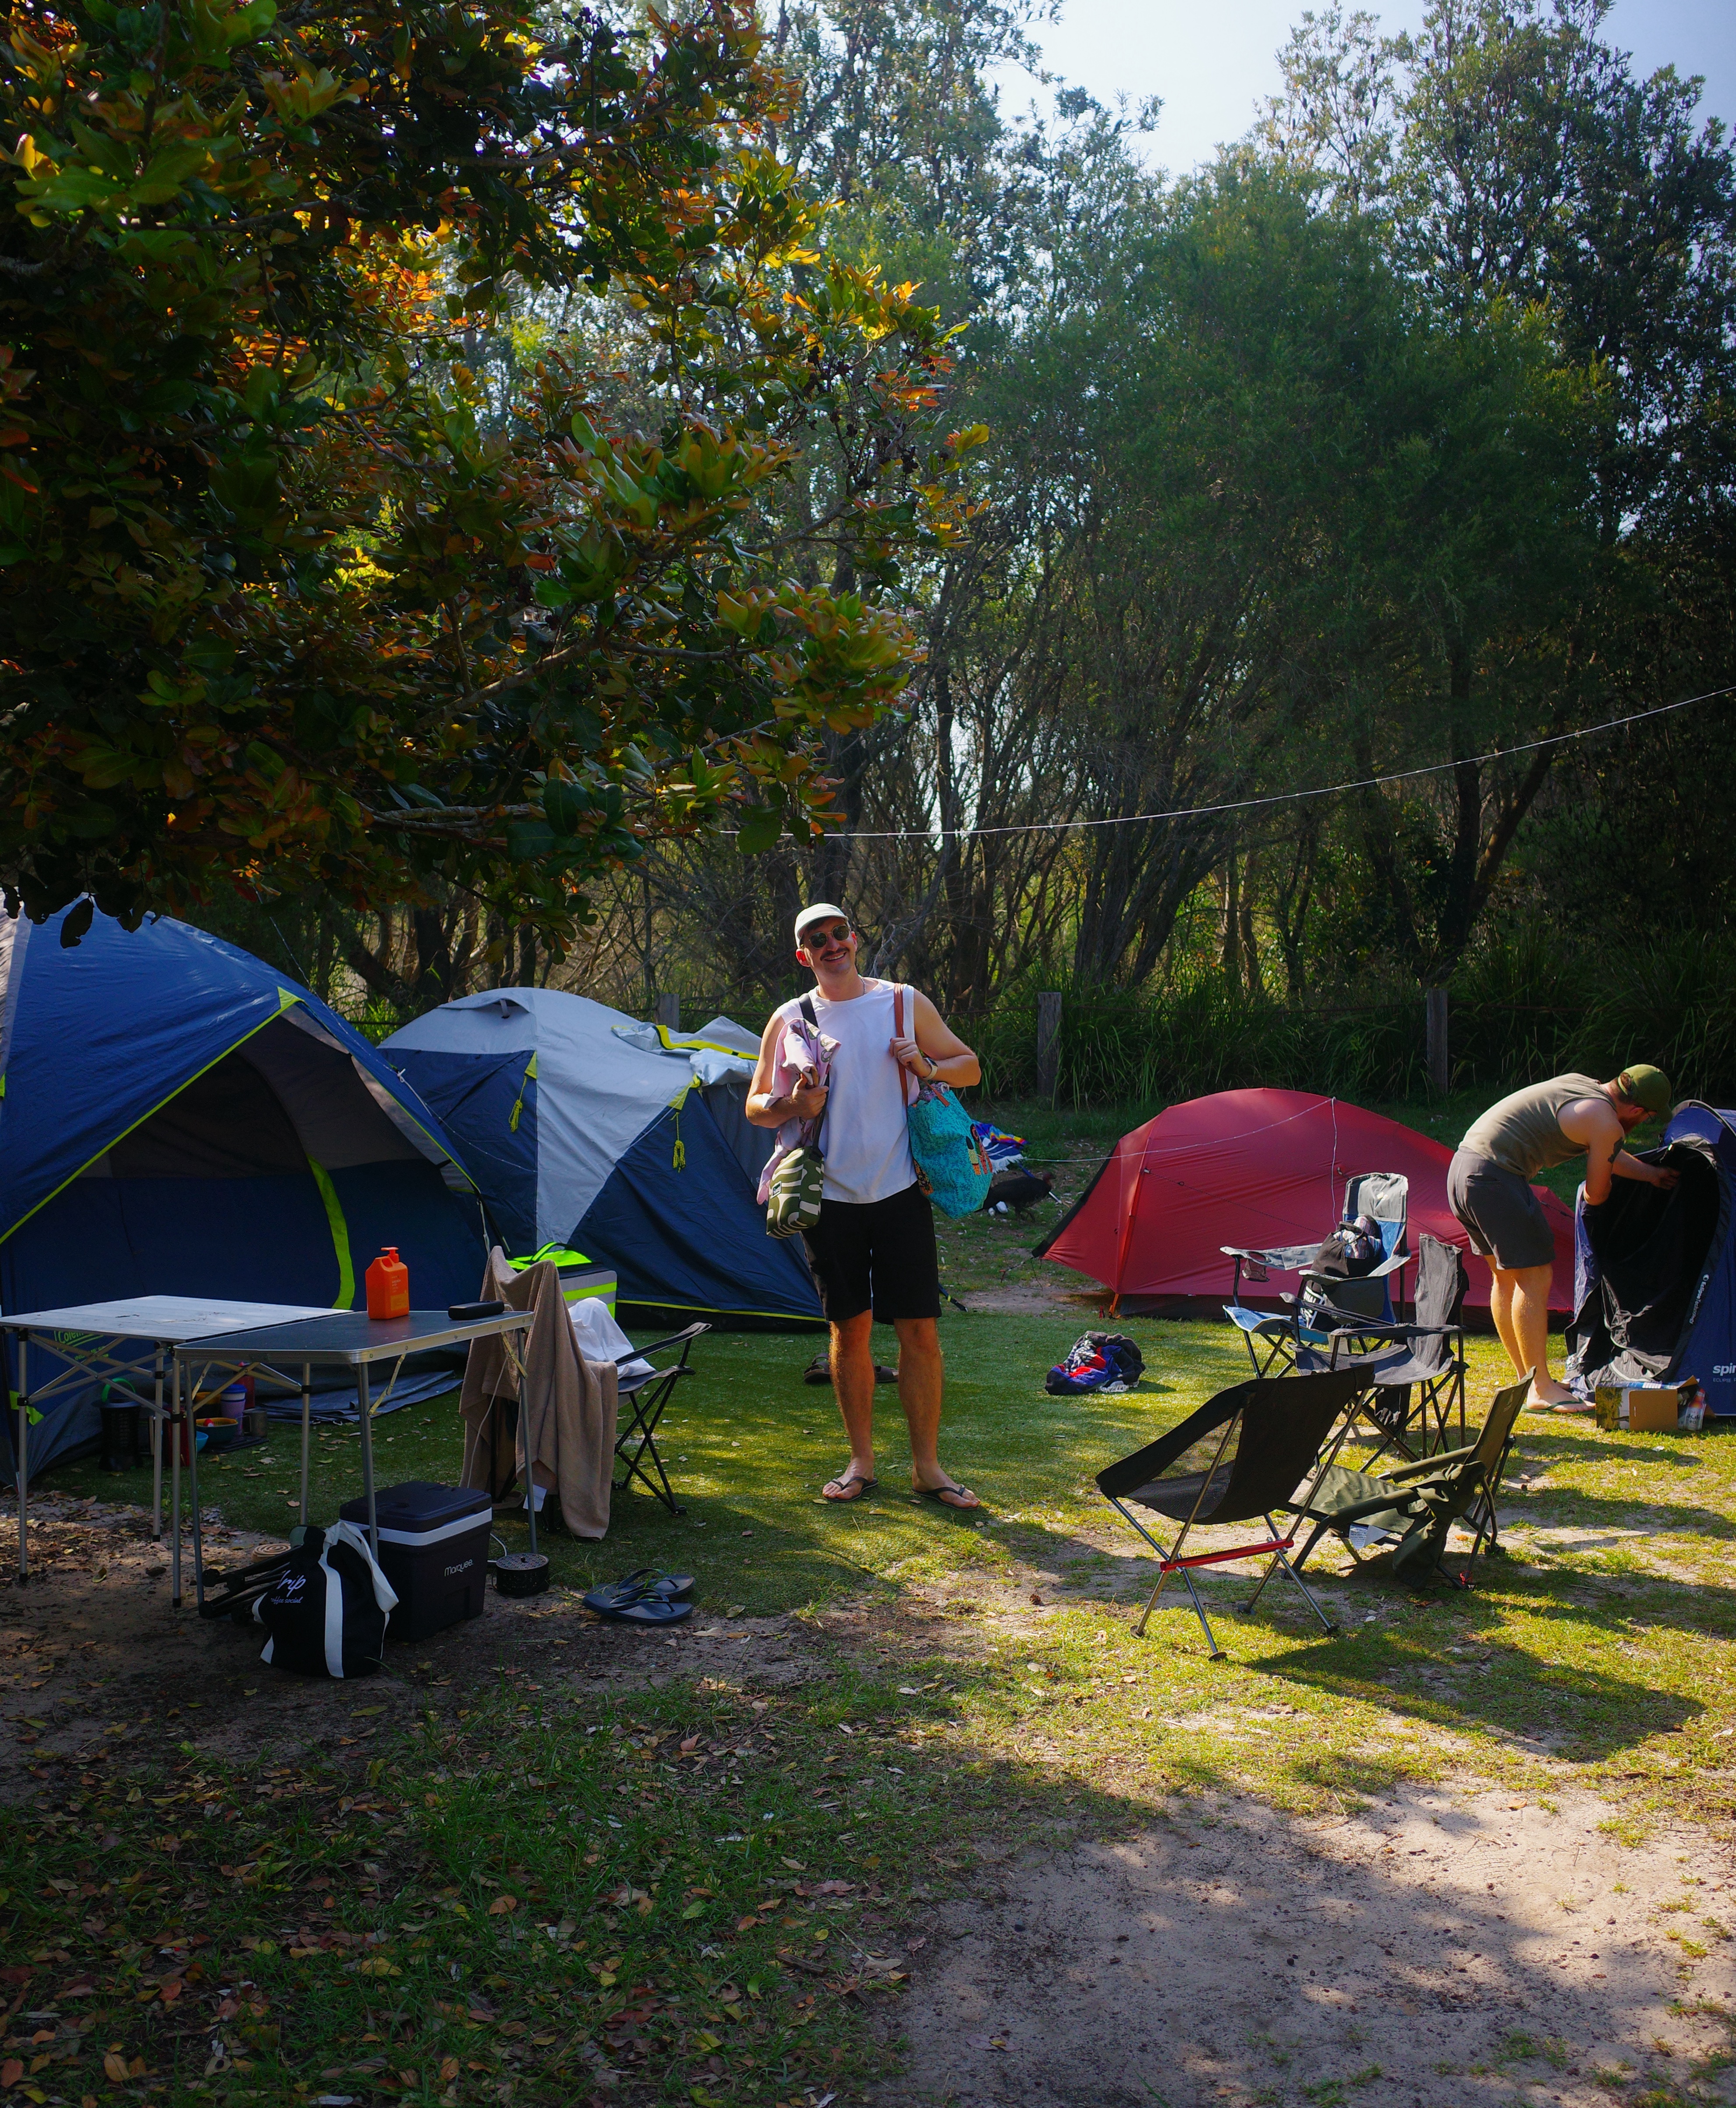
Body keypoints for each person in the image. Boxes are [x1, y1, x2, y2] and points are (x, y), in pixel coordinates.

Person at [746, 902, 983, 1508]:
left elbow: (970, 1067)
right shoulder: (790, 1017)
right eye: (816, 940)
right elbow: (755, 1106)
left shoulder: (903, 1002)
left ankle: (927, 1467)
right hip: (827, 1198)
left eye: (839, 933)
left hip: (901, 1192)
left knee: (919, 1332)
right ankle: (861, 1463)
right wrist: (796, 1108)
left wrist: (924, 1065)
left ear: (855, 938)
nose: (831, 945)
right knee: (848, 1331)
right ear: (804, 956)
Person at [1448, 1065, 1676, 1411]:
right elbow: (1597, 1193)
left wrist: (1651, 1175)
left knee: (1507, 1278)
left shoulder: (1584, 1087)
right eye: (1647, 1119)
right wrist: (1602, 1194)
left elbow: (1608, 1153)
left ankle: (1528, 1381)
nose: (1643, 1124)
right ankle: (1540, 1388)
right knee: (1535, 1276)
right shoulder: (1606, 1122)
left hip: (1464, 1168)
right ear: (1637, 1110)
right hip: (1497, 1178)